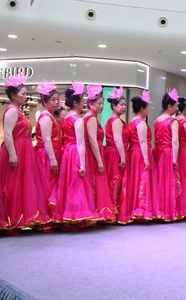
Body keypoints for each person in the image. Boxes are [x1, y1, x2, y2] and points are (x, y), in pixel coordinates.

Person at [0, 73, 51, 232]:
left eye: (26, 94)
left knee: (21, 185)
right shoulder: (12, 110)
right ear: (13, 95)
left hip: (24, 150)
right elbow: (7, 133)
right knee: (13, 185)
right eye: (23, 94)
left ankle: (20, 218)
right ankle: (11, 219)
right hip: (16, 150)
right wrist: (12, 154)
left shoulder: (17, 111)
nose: (26, 97)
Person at [49, 82, 98, 225]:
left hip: (67, 153)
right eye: (82, 101)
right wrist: (82, 164)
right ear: (76, 103)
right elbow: (81, 142)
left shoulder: (66, 117)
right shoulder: (78, 120)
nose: (84, 104)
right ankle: (75, 216)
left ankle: (67, 216)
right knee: (77, 184)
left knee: (67, 183)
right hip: (75, 152)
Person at [118, 91, 154, 224]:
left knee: (134, 180)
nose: (148, 110)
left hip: (133, 153)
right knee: (142, 180)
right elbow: (143, 141)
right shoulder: (141, 123)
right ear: (142, 109)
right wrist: (146, 159)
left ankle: (133, 209)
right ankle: (141, 210)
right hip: (140, 153)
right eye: (147, 107)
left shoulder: (132, 122)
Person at [83, 85, 116, 222]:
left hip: (94, 153)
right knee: (95, 182)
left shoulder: (92, 117)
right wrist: (100, 161)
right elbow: (92, 140)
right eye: (99, 103)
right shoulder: (91, 118)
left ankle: (94, 212)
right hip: (93, 154)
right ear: (91, 104)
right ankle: (95, 213)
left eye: (102, 103)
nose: (102, 106)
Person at [152, 89, 180, 221]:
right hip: (168, 153)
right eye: (176, 106)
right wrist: (174, 158)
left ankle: (158, 210)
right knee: (167, 181)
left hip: (157, 152)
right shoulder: (172, 121)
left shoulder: (157, 120)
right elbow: (175, 141)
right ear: (169, 106)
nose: (177, 108)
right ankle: (167, 212)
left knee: (158, 181)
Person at [34, 80, 62, 200]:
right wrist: (52, 159)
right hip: (45, 155)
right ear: (45, 101)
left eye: (57, 99)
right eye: (53, 100)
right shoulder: (45, 117)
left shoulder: (50, 115)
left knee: (51, 182)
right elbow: (46, 140)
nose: (56, 102)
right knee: (47, 183)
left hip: (51, 152)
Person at [105, 87, 129, 205]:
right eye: (121, 105)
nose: (124, 107)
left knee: (113, 179)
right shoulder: (116, 120)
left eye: (125, 105)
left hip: (113, 152)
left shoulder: (113, 119)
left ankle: (112, 206)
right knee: (115, 179)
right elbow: (117, 139)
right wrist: (123, 157)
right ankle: (113, 206)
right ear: (114, 106)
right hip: (116, 153)